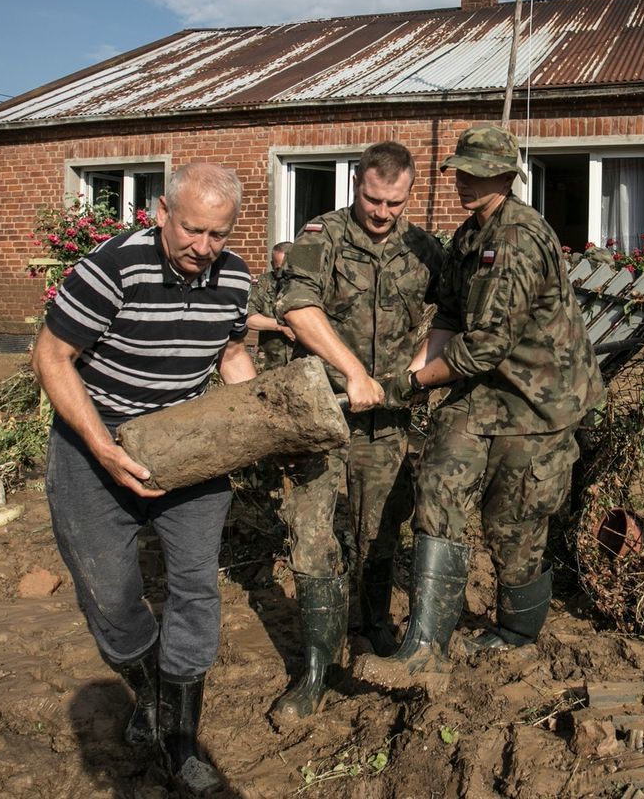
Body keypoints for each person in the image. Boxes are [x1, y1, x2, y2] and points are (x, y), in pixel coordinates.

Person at [353, 124, 604, 692]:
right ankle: (424, 647)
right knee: (437, 480)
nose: (466, 181)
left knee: (512, 519)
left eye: (479, 173)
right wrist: (413, 373)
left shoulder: (519, 238)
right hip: (485, 391)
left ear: (505, 177)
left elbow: (487, 343)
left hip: (540, 399)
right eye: (462, 171)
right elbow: (446, 316)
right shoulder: (471, 235)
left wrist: (415, 384)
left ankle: (517, 632)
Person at [31, 163, 255, 794]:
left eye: (218, 234)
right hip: (94, 445)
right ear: (161, 212)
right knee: (111, 596)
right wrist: (102, 448)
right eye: (190, 230)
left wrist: (258, 425)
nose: (202, 248)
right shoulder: (113, 267)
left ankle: (182, 743)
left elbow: (234, 354)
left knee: (194, 589)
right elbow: (51, 355)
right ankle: (150, 692)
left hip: (190, 447)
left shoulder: (234, 277)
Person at [268, 141, 443, 724]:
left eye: (395, 202)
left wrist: (419, 366)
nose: (382, 212)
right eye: (373, 198)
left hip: (388, 420)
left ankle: (370, 634)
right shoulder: (323, 234)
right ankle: (316, 668)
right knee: (313, 531)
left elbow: (449, 315)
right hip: (323, 411)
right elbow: (296, 306)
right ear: (356, 186)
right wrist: (353, 372)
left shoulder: (424, 248)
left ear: (409, 195)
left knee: (379, 530)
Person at [246, 241, 295, 371]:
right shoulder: (263, 284)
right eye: (278, 269)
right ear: (272, 265)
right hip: (271, 362)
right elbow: (248, 318)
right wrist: (281, 326)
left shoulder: (309, 284)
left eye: (287, 268)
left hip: (304, 361)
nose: (282, 274)